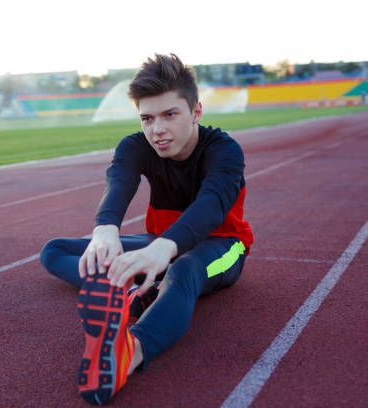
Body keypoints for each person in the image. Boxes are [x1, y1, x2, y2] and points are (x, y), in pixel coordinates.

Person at [40, 53, 254, 405]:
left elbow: (212, 206)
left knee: (185, 269)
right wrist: (105, 230)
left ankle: (130, 351)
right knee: (55, 250)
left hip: (222, 247)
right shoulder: (135, 146)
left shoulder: (224, 151)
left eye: (170, 115)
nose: (157, 129)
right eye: (148, 118)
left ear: (195, 112)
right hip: (158, 244)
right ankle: (135, 287)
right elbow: (119, 182)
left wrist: (163, 249)